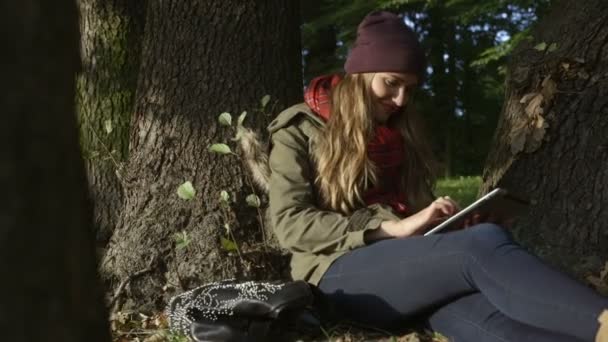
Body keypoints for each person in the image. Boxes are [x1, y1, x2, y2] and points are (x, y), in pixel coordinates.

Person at [260, 11, 608, 342]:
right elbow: (290, 224)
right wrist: (388, 229)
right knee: (480, 245)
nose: (400, 99)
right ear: (359, 75)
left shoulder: (400, 133)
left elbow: (413, 215)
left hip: (407, 269)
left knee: (483, 314)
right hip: (336, 275)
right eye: (391, 83)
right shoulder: (300, 128)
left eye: (409, 89)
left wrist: (448, 223)